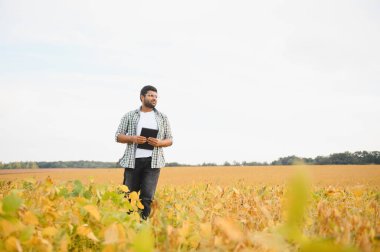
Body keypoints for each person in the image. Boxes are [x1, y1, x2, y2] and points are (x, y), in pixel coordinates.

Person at [115, 85, 173, 220]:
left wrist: (159, 143)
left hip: (153, 162)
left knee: (147, 198)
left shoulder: (162, 117)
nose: (154, 99)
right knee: (129, 196)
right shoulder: (129, 115)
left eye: (156, 96)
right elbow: (118, 136)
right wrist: (133, 138)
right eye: (151, 96)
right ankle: (129, 224)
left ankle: (143, 227)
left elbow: (170, 140)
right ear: (142, 97)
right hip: (132, 161)